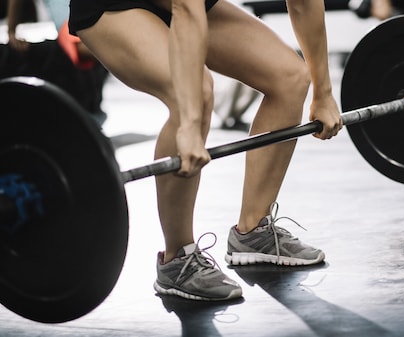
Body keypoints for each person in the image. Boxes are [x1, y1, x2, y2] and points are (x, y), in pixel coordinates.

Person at [68, 0, 343, 301]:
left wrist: (324, 92)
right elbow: (187, 10)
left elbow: (304, 3)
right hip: (115, 6)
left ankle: (253, 232)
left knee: (290, 77)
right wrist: (188, 124)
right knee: (196, 92)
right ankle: (177, 258)